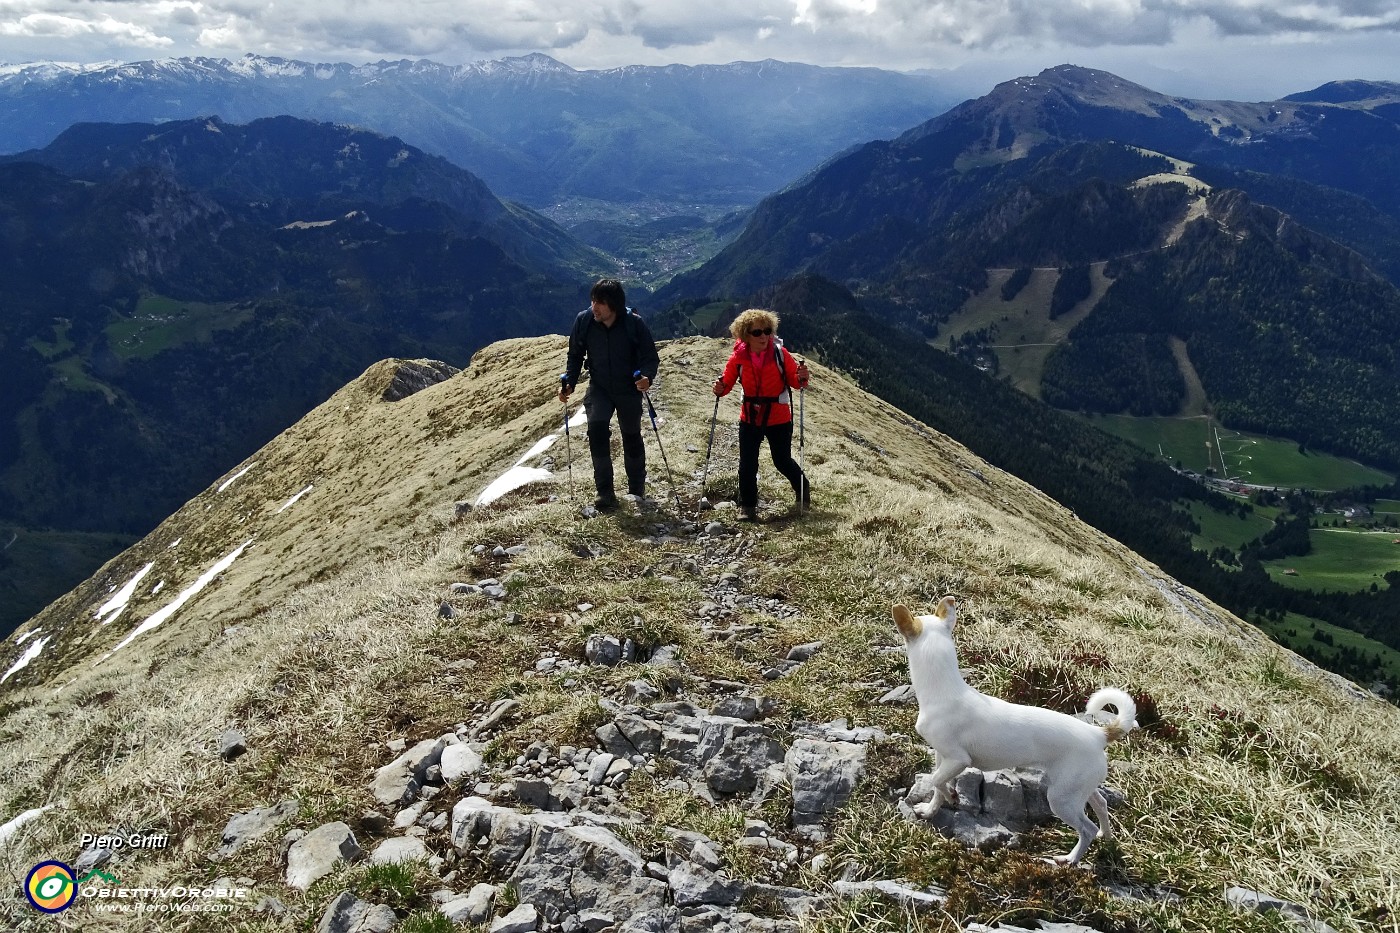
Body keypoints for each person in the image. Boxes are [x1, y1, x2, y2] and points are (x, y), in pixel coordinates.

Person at [559, 279, 659, 511]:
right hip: (600, 387)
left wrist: (647, 377)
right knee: (597, 431)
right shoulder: (584, 321)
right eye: (593, 300)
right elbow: (575, 355)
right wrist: (569, 383)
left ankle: (636, 489)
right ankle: (605, 492)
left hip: (629, 388)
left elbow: (650, 357)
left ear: (613, 305)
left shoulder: (634, 324)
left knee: (631, 435)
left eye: (600, 303)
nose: (594, 307)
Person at [712, 308, 811, 521]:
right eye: (757, 333)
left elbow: (795, 382)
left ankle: (803, 491)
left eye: (767, 331)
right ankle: (747, 506)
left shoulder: (780, 354)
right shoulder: (738, 357)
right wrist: (719, 388)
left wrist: (802, 377)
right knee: (747, 463)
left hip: (778, 418)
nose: (764, 336)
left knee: (782, 461)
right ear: (745, 335)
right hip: (749, 417)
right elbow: (727, 383)